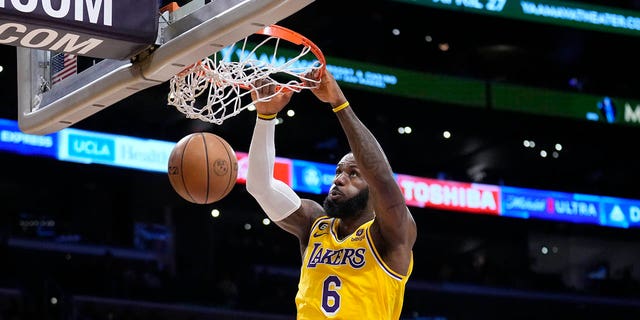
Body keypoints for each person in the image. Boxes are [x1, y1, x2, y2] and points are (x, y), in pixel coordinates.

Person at [246, 68, 417, 319]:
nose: (339, 179)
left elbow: (381, 176)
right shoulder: (313, 224)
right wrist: (266, 117)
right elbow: (260, 187)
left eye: (353, 173)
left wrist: (339, 103)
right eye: (338, 171)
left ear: (372, 188)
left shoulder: (390, 234)